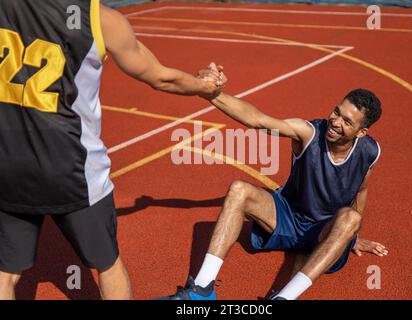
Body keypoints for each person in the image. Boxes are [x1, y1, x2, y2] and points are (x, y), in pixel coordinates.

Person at [0, 0, 224, 300]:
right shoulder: (101, 19)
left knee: (6, 273)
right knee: (107, 265)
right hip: (73, 168)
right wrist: (204, 86)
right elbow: (161, 77)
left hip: (8, 164)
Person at [160, 65, 387, 300]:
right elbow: (257, 120)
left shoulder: (370, 152)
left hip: (324, 230)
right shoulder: (308, 133)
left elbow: (361, 190)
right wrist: (210, 93)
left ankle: (283, 298)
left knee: (352, 218)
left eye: (347, 121)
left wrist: (351, 236)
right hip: (289, 217)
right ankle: (202, 290)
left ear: (361, 133)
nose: (335, 121)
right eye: (336, 111)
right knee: (239, 190)